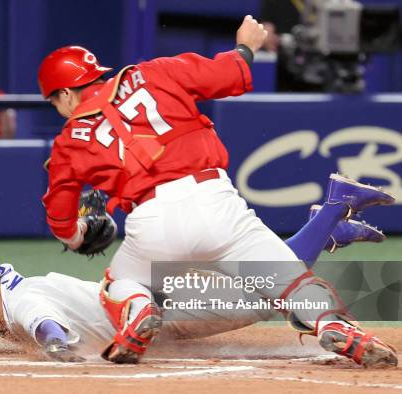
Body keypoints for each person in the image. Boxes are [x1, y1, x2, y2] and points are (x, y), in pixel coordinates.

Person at [36, 15, 397, 367]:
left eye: (54, 101)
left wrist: (78, 234)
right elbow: (226, 76)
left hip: (151, 223)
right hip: (216, 204)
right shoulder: (152, 72)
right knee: (291, 280)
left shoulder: (69, 141)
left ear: (66, 93)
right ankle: (334, 326)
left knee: (119, 282)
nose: (59, 108)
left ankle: (137, 309)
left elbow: (60, 219)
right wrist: (246, 46)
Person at [0, 197, 388, 363]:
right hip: (146, 303)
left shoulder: (22, 297)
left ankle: (334, 208)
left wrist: (60, 351)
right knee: (268, 281)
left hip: (164, 307)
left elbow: (45, 326)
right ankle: (331, 226)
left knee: (267, 291)